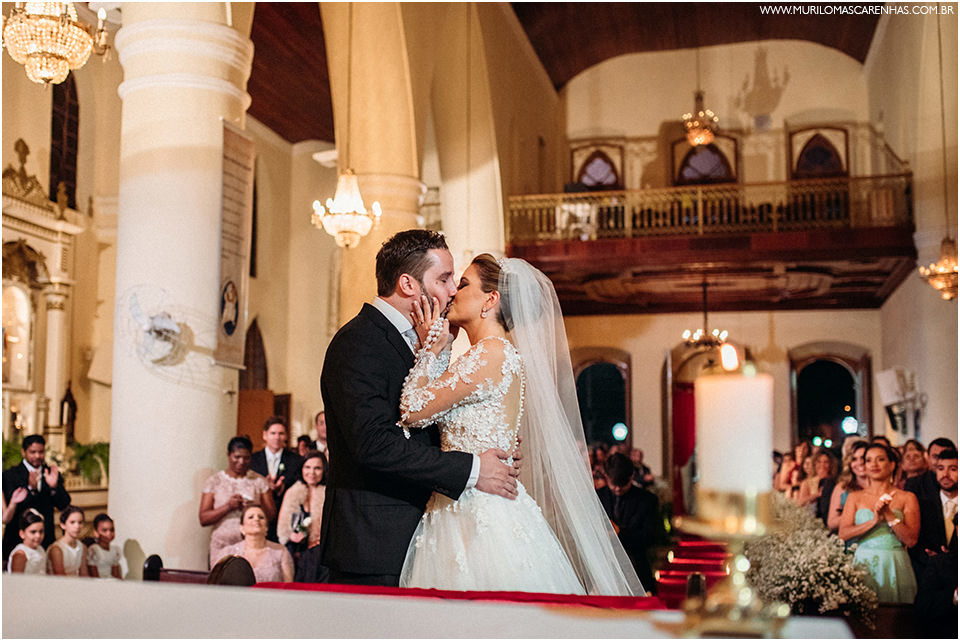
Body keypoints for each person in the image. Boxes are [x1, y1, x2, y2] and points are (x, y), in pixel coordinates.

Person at [398, 254, 643, 595]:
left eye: (464, 284)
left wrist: (430, 348)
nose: (453, 292)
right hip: (474, 498)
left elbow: (411, 409)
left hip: (474, 508)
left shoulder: (489, 354)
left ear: (490, 300)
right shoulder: (500, 354)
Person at [318, 230, 519, 587]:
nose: (452, 290)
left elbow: (433, 422)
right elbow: (374, 444)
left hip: (428, 532)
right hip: (375, 541)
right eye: (444, 279)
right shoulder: (359, 342)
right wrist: (474, 467)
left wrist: (492, 447)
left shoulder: (429, 340)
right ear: (408, 284)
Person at [839, 443, 919, 603]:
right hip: (863, 562)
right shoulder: (855, 497)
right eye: (869, 460)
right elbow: (843, 534)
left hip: (894, 562)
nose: (874, 464)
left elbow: (911, 540)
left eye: (880, 459)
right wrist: (873, 521)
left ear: (892, 465)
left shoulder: (907, 497)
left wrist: (889, 515)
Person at [199, 436, 276, 567]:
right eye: (237, 457)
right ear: (228, 455)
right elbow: (203, 519)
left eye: (246, 458)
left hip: (253, 545)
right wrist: (228, 506)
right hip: (222, 543)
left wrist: (254, 508)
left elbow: (271, 515)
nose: (241, 462)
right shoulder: (215, 481)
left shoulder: (259, 481)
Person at [2, 435, 71, 561]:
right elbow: (10, 511)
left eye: (41, 452)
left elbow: (64, 505)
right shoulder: (10, 475)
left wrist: (54, 487)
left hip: (45, 539)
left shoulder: (51, 473)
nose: (37, 456)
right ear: (23, 452)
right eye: (33, 452)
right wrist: (31, 490)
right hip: (16, 539)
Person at [597, 453, 659, 592]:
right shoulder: (597, 497)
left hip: (637, 569)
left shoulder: (647, 500)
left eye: (623, 484)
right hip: (604, 570)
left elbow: (650, 537)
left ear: (632, 477)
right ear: (606, 477)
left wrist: (620, 532)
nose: (618, 489)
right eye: (614, 484)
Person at [249, 416, 302, 542]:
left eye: (281, 433)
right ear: (265, 435)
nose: (277, 437)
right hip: (259, 515)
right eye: (273, 433)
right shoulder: (252, 460)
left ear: (286, 436)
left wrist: (282, 488)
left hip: (285, 515)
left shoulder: (296, 460)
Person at [278, 451, 328, 582]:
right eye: (307, 467)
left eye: (317, 468)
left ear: (324, 470)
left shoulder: (328, 494)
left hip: (322, 554)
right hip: (297, 553)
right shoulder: (292, 492)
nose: (312, 472)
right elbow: (282, 528)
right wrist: (291, 535)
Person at [909, 448, 957, 581]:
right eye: (940, 469)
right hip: (931, 578)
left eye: (953, 469)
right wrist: (936, 560)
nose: (945, 474)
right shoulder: (923, 506)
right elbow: (915, 546)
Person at [216, 504, 294, 583]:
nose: (256, 519)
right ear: (242, 528)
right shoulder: (227, 553)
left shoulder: (281, 551)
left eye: (261, 517)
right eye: (251, 517)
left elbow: (288, 585)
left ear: (266, 527)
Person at [827, 440, 869, 532]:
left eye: (863, 458)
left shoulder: (881, 485)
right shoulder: (842, 487)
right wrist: (859, 515)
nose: (860, 462)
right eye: (854, 459)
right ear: (849, 463)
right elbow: (831, 523)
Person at [905, 437, 957, 504]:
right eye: (936, 457)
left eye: (945, 457)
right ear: (928, 457)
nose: (940, 461)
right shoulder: (915, 485)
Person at [47, 505, 87, 576]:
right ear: (63, 525)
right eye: (72, 522)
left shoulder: (82, 547)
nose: (77, 526)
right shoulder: (57, 549)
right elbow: (60, 576)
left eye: (80, 522)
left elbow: (84, 573)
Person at [7, 509, 46, 574]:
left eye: (41, 531)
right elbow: (17, 579)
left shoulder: (40, 549)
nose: (38, 536)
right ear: (22, 534)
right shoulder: (20, 554)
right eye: (33, 532)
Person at [86, 513, 122, 579]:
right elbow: (94, 575)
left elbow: (116, 574)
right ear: (96, 532)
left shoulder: (115, 550)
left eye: (112, 530)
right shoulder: (94, 550)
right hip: (99, 582)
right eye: (104, 530)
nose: (109, 533)